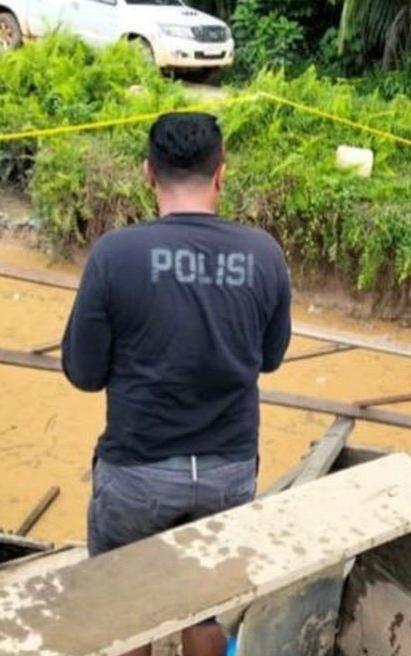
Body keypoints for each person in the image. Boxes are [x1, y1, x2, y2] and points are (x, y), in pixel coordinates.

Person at [60, 111, 292, 656]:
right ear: (221, 174)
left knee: (125, 613)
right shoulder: (263, 255)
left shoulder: (115, 255)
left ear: (147, 173)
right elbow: (270, 358)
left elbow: (83, 373)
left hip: (137, 473)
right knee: (205, 606)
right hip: (227, 471)